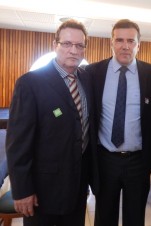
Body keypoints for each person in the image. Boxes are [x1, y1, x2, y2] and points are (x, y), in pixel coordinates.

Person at [6, 19, 95, 226]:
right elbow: (17, 143)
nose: (73, 50)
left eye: (79, 45)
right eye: (67, 44)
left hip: (78, 185)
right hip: (43, 190)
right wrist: (22, 190)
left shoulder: (87, 80)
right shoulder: (30, 83)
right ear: (55, 45)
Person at [85, 19, 151, 226]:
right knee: (104, 216)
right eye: (119, 40)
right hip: (105, 159)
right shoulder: (92, 73)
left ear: (138, 44)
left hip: (139, 162)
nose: (125, 46)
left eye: (131, 41)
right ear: (112, 43)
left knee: (135, 217)